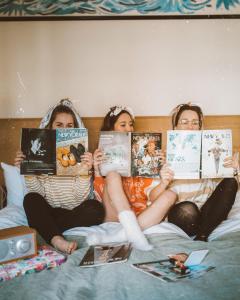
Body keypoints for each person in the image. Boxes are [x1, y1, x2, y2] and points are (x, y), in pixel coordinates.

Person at [14, 99, 105, 254]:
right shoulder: (40, 153)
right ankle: (57, 239)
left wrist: (84, 170)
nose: (64, 130)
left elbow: (79, 199)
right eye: (59, 125)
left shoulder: (81, 154)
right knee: (31, 199)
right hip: (49, 209)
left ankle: (45, 227)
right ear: (50, 127)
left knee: (96, 208)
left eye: (69, 126)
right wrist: (28, 170)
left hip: (74, 211)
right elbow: (40, 194)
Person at [149, 103, 239, 241]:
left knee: (231, 181)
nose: (190, 127)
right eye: (184, 122)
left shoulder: (212, 151)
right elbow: (153, 198)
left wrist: (234, 170)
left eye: (195, 123)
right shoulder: (163, 157)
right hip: (184, 215)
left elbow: (227, 191)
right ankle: (203, 230)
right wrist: (163, 182)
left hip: (210, 212)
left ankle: (202, 235)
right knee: (188, 209)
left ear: (200, 127)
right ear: (175, 127)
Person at [88, 106, 173, 250]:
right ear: (111, 129)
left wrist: (163, 182)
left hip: (140, 216)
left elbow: (152, 197)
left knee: (171, 195)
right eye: (123, 125)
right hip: (113, 215)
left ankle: (124, 234)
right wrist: (96, 169)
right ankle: (133, 232)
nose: (129, 129)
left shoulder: (142, 152)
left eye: (131, 124)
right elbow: (99, 196)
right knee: (113, 174)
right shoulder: (101, 154)